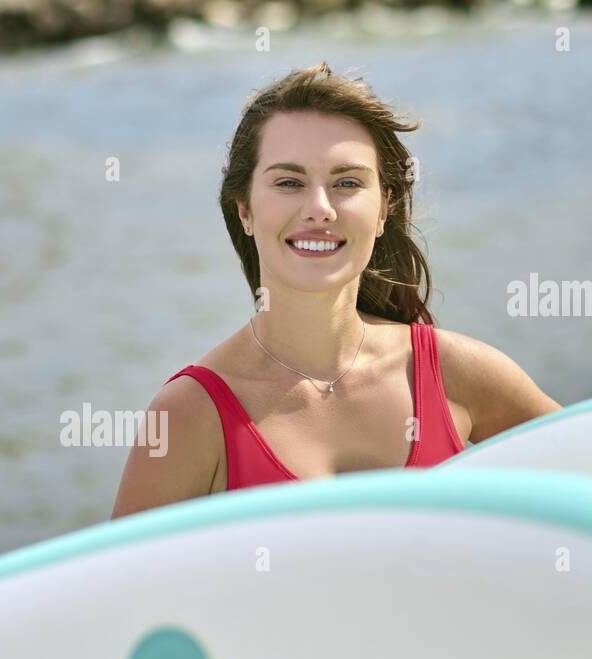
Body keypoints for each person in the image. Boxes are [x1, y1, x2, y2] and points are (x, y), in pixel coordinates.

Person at [112, 63, 560, 518]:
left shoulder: (455, 371)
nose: (319, 209)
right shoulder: (190, 414)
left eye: (347, 183)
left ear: (384, 207)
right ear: (244, 209)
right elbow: (121, 585)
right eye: (289, 183)